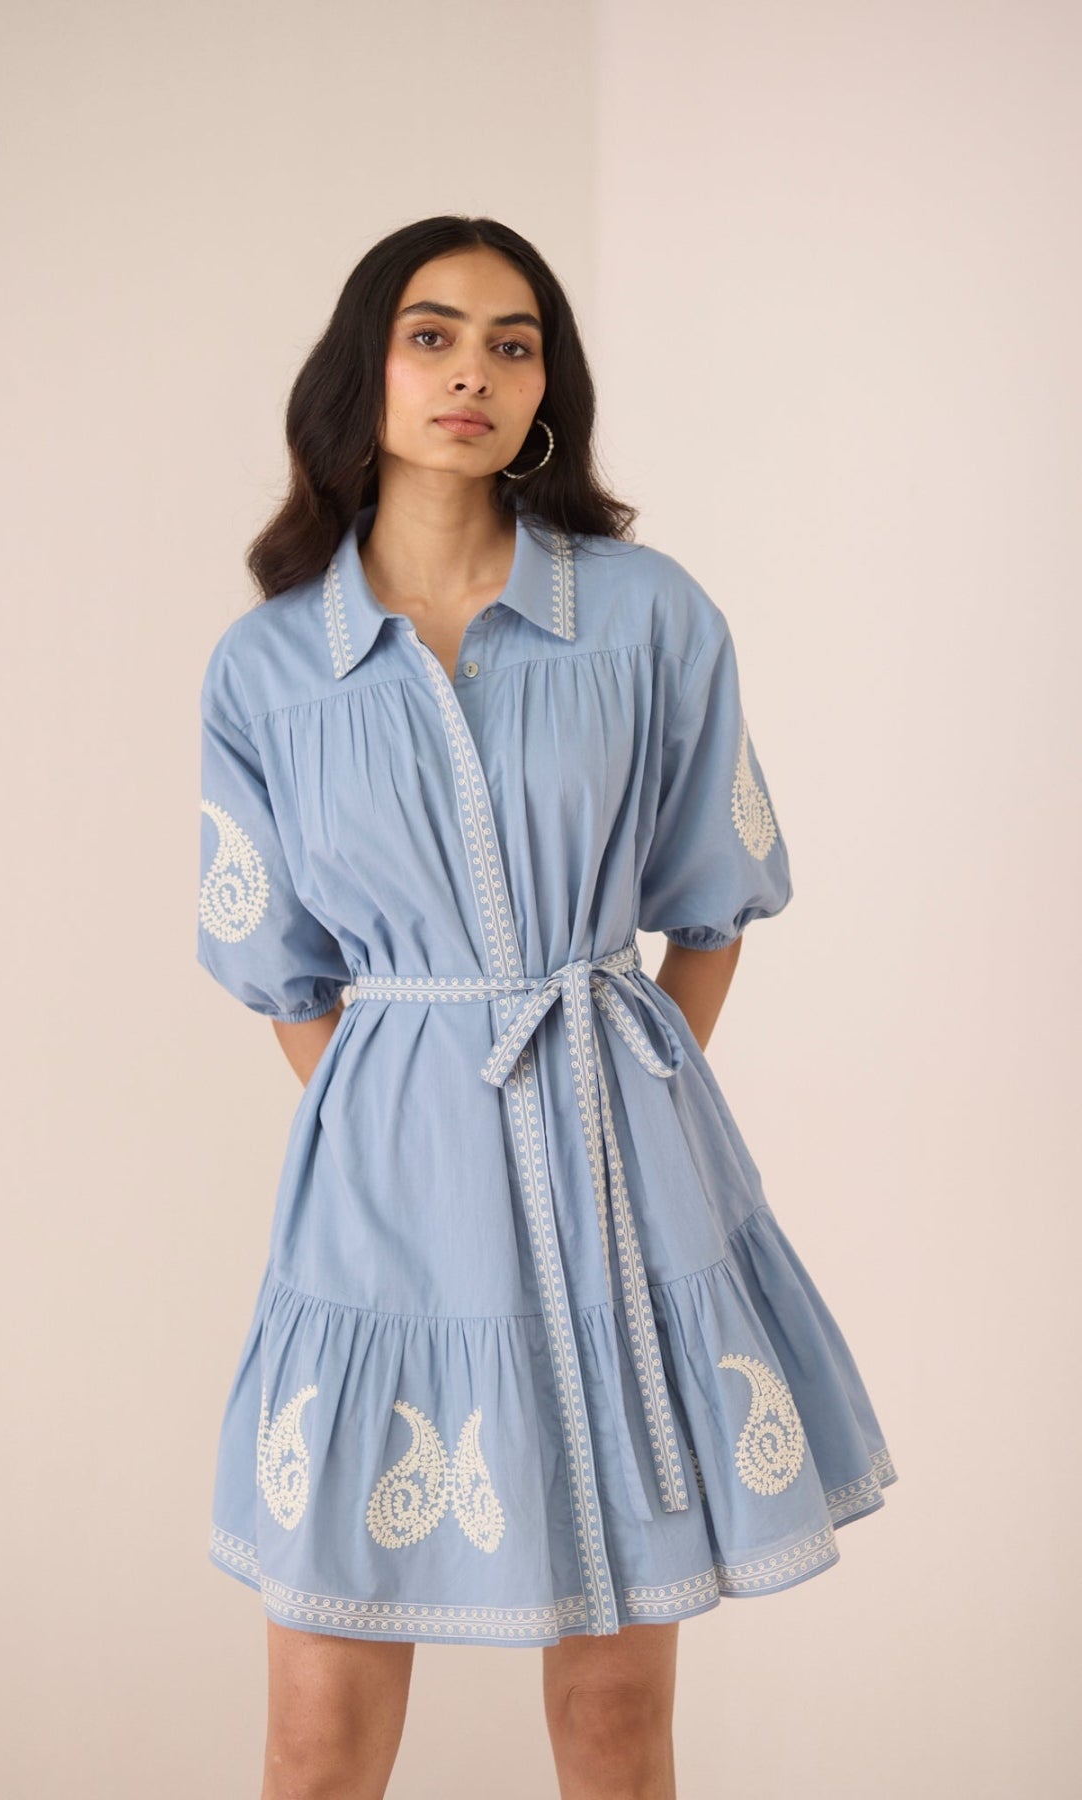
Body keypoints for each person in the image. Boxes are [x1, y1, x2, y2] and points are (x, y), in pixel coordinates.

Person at [196, 214, 898, 1800]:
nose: (474, 373)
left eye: (513, 345)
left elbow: (711, 903)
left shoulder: (646, 615)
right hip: (380, 1205)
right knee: (315, 1740)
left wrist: (620, 1099)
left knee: (614, 1727)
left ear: (545, 392)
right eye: (432, 336)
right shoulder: (268, 668)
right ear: (363, 372)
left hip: (620, 1182)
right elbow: (284, 973)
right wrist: (406, 1116)